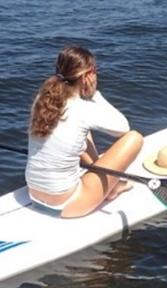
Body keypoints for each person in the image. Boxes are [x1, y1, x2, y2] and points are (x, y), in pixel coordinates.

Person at [25, 46, 143, 218]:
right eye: (94, 70)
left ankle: (106, 181)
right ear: (86, 76)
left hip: (33, 193)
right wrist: (95, 94)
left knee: (83, 132)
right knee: (135, 138)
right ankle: (112, 188)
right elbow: (124, 128)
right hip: (68, 203)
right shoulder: (83, 109)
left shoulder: (42, 100)